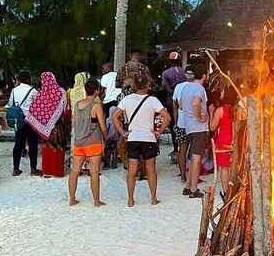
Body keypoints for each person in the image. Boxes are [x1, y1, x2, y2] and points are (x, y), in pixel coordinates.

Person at [112, 69, 171, 207]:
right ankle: (153, 198)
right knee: (150, 169)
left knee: (132, 170)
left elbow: (114, 116)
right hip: (148, 138)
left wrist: (122, 131)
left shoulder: (127, 99)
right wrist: (159, 132)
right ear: (147, 86)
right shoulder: (153, 100)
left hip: (133, 137)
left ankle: (130, 199)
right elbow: (167, 117)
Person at [68, 78, 107, 207]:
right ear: (96, 91)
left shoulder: (77, 104)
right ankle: (96, 201)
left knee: (74, 171)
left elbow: (74, 122)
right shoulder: (96, 105)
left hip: (79, 142)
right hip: (93, 142)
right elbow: (102, 126)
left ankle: (72, 199)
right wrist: (105, 137)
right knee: (94, 171)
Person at [178, 63, 210, 199]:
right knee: (197, 158)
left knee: (193, 158)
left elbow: (180, 104)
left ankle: (187, 186)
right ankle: (193, 189)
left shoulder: (185, 88)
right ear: (204, 76)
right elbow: (196, 102)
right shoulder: (199, 89)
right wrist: (199, 117)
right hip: (199, 128)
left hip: (189, 127)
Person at [8, 71, 39, 176]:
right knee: (32, 144)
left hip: (19, 120)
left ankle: (16, 169)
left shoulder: (14, 90)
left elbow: (10, 104)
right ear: (27, 79)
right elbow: (38, 104)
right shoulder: (33, 90)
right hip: (30, 120)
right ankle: (33, 168)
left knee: (18, 144)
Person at [210, 86, 237, 197]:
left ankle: (226, 192)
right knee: (234, 166)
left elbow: (212, 127)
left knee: (224, 168)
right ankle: (234, 189)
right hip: (234, 138)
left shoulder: (220, 110)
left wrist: (211, 113)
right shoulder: (237, 110)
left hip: (223, 139)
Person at [25, 72, 68, 141]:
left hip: (44, 128)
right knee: (58, 146)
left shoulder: (40, 95)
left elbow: (34, 110)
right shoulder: (61, 91)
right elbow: (65, 108)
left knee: (47, 147)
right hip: (58, 124)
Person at [162, 52, 187, 154]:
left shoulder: (166, 73)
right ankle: (184, 147)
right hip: (185, 101)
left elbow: (167, 89)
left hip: (171, 102)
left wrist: (175, 93)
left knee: (173, 124)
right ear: (179, 60)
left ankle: (176, 148)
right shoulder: (184, 72)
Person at [172, 68, 194, 183]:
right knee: (195, 152)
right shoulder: (198, 87)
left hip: (181, 122)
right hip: (194, 124)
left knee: (183, 150)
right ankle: (193, 176)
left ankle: (183, 177)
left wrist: (175, 122)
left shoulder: (178, 87)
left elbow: (174, 105)